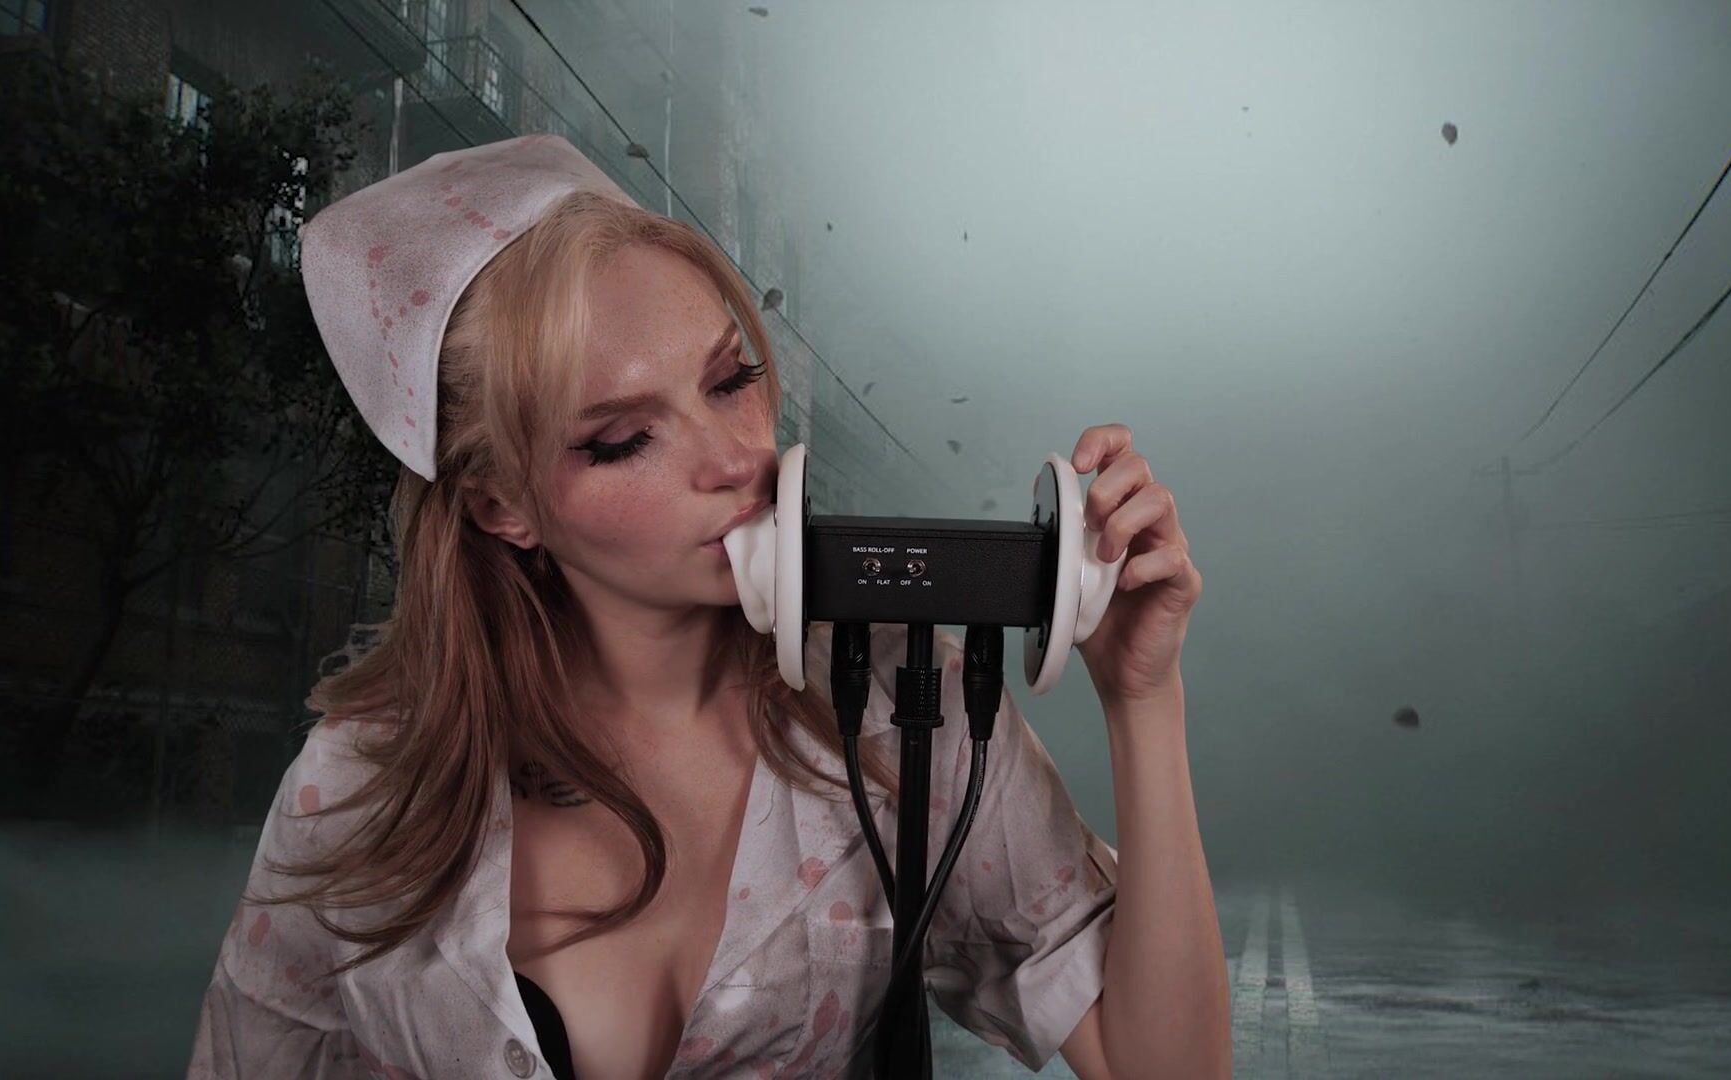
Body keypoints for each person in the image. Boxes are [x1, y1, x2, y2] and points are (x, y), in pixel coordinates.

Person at [182, 134, 1123, 1080]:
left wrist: (1140, 694)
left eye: (731, 381)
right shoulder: (362, 780)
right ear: (503, 505)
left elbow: (1157, 1058)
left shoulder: (906, 700)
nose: (736, 460)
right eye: (625, 438)